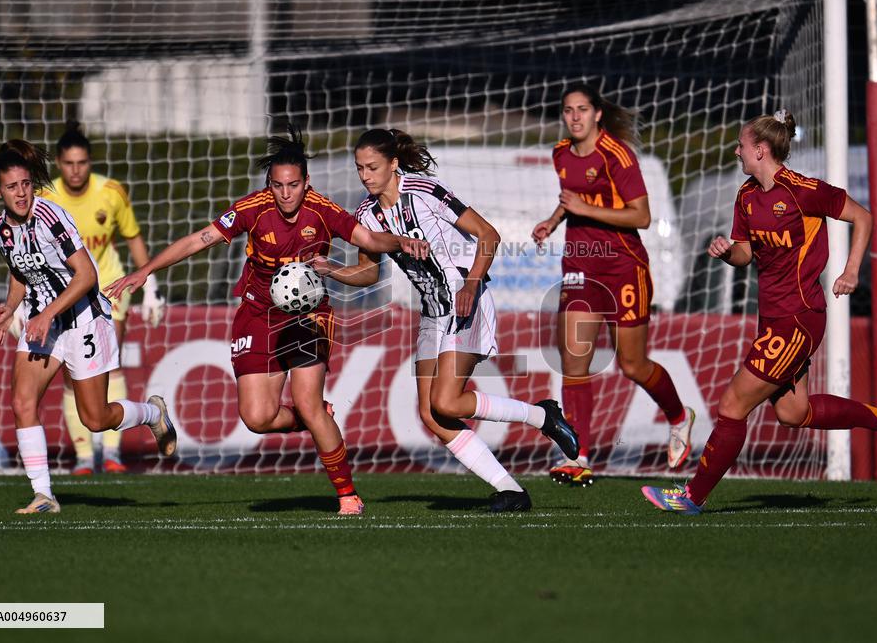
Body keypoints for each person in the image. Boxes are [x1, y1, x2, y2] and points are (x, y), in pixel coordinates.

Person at [105, 124, 429, 516]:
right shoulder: (252, 208)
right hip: (258, 314)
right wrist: (146, 271)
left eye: (293, 185)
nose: (286, 193)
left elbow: (369, 240)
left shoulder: (323, 212)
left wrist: (400, 241)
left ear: (306, 183)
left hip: (309, 315)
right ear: (269, 185)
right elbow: (198, 240)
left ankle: (347, 495)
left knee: (307, 403)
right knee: (257, 418)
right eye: (278, 185)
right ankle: (314, 419)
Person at [641, 110, 877, 515]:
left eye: (740, 145)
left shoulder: (804, 191)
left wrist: (852, 270)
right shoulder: (746, 196)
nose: (736, 151)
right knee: (793, 412)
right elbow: (745, 253)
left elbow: (864, 217)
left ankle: (691, 496)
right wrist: (725, 252)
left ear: (760, 149)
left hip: (800, 317)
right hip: (772, 318)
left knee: (733, 405)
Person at [312, 128, 580, 514]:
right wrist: (331, 269)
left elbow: (489, 235)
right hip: (432, 311)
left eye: (372, 167)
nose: (365, 175)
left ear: (393, 164)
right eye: (359, 168)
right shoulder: (366, 214)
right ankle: (511, 490)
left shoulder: (424, 189)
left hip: (464, 299)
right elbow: (368, 274)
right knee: (431, 415)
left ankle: (542, 415)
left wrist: (471, 283)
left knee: (447, 401)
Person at [0, 139, 177, 514]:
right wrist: (11, 308)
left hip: (86, 318)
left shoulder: (51, 217)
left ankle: (154, 413)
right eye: (12, 187)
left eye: (25, 184)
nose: (21, 193)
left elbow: (87, 275)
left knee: (95, 418)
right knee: (22, 402)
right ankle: (44, 495)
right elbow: (19, 272)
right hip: (46, 324)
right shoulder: (0, 232)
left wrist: (43, 314)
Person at [532, 83, 694, 485]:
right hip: (578, 267)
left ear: (597, 114)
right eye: (568, 110)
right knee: (573, 360)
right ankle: (578, 454)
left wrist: (586, 208)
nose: (575, 117)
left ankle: (678, 415)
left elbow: (641, 216)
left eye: (582, 109)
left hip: (623, 267)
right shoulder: (561, 153)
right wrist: (553, 222)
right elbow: (571, 196)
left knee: (632, 365)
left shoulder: (617, 155)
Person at [14, 121, 164, 475]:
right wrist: (20, 304)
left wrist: (151, 288)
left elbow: (133, 237)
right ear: (60, 165)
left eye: (82, 162)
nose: (75, 170)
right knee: (72, 376)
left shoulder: (111, 192)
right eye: (68, 163)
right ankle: (84, 455)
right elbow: (25, 254)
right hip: (62, 295)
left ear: (90, 162)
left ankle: (112, 454)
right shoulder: (46, 199)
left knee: (109, 369)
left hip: (108, 287)